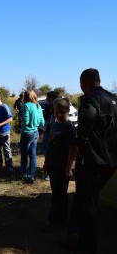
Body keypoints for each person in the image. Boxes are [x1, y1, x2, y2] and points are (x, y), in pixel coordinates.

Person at [63, 68, 117, 253]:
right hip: (111, 161)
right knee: (85, 200)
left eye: (81, 84)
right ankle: (75, 234)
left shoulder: (90, 98)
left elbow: (87, 117)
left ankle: (88, 246)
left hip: (94, 161)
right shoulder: (113, 99)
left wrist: (80, 143)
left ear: (85, 82)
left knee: (89, 206)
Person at [42, 97, 76, 232]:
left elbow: (72, 149)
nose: (59, 114)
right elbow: (50, 146)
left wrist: (68, 169)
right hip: (52, 165)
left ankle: (56, 220)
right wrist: (46, 163)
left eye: (62, 112)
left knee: (60, 195)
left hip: (61, 167)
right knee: (56, 193)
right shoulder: (54, 124)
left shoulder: (68, 127)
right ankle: (57, 219)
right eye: (57, 111)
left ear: (68, 111)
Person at [20, 90, 45, 184]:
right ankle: (32, 175)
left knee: (24, 154)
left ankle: (24, 174)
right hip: (35, 132)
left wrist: (22, 119)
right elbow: (42, 122)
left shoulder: (26, 105)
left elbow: (25, 121)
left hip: (27, 132)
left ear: (26, 97)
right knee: (33, 155)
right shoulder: (38, 106)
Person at [42, 91, 61, 181]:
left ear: (51, 98)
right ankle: (48, 171)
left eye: (47, 97)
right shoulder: (48, 108)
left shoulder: (57, 107)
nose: (46, 99)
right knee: (47, 152)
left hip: (53, 134)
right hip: (47, 132)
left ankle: (50, 173)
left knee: (51, 153)